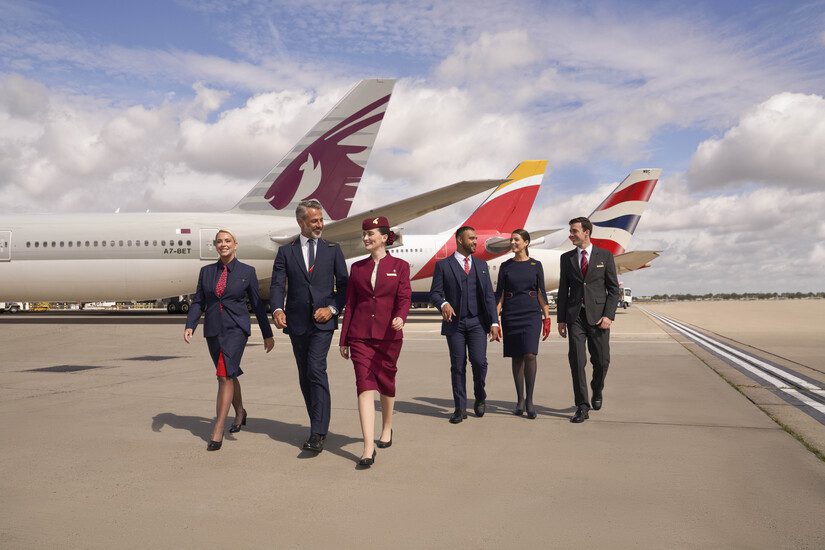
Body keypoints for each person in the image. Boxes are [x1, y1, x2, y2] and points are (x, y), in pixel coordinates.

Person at [184, 229, 275, 451]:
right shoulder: (206, 272)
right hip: (213, 330)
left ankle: (218, 429)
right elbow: (199, 301)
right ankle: (240, 411)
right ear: (215, 246)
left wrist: (267, 334)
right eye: (219, 241)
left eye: (227, 241)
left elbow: (257, 305)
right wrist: (190, 325)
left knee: (223, 375)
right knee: (229, 374)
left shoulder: (247, 272)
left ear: (235, 245)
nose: (223, 244)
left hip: (236, 329)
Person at [270, 199, 349, 453]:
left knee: (316, 368)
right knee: (305, 375)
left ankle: (318, 431)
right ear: (301, 222)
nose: (320, 224)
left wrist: (333, 309)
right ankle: (316, 423)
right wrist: (277, 309)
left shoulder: (332, 250)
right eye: (314, 220)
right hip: (297, 323)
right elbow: (277, 284)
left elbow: (344, 287)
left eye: (321, 220)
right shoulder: (286, 252)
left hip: (323, 323)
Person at [339, 217, 411, 467]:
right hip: (360, 335)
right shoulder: (357, 268)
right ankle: (368, 447)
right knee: (364, 385)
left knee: (386, 383)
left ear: (384, 237)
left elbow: (404, 297)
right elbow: (350, 304)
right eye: (364, 234)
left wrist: (401, 317)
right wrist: (344, 339)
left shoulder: (400, 266)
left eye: (371, 234)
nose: (366, 238)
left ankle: (387, 426)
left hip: (389, 336)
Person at [428, 226, 501, 424]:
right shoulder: (443, 265)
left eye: (475, 238)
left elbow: (489, 296)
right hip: (455, 324)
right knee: (458, 366)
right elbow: (434, 293)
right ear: (460, 240)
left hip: (477, 322)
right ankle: (460, 408)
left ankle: (480, 395)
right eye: (471, 238)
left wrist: (494, 322)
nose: (475, 242)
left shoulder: (481, 265)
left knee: (479, 362)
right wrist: (443, 303)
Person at [557, 217, 620, 423]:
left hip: (599, 317)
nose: (571, 235)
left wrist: (609, 315)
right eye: (570, 231)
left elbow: (613, 289)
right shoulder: (566, 258)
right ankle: (582, 406)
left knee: (601, 361)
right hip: (575, 317)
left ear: (586, 232)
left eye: (574, 231)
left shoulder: (605, 256)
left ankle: (597, 389)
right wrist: (561, 319)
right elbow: (563, 290)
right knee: (576, 361)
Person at [495, 229, 552, 419]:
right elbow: (500, 295)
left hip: (531, 314)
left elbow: (541, 292)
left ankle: (530, 400)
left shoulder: (536, 265)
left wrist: (547, 318)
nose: (512, 243)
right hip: (511, 314)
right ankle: (520, 399)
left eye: (516, 240)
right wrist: (495, 321)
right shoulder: (506, 266)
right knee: (517, 357)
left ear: (526, 243)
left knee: (530, 354)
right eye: (511, 240)